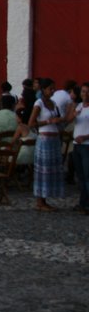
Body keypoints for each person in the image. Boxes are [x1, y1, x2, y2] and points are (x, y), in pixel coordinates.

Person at [29, 78, 64, 212]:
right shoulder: (39, 104)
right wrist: (49, 121)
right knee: (43, 170)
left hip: (54, 138)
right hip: (44, 139)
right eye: (50, 88)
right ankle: (40, 200)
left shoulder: (53, 103)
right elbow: (31, 123)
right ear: (43, 89)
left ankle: (45, 198)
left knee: (51, 170)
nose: (53, 91)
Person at [68, 82, 89, 215]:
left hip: (87, 145)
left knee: (88, 176)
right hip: (77, 145)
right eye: (83, 91)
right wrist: (74, 113)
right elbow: (69, 120)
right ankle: (83, 202)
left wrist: (85, 137)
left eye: (87, 92)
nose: (85, 94)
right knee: (80, 176)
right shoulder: (80, 106)